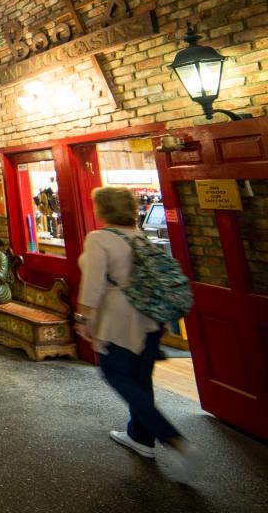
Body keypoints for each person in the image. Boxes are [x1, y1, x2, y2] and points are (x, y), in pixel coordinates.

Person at [76, 186, 193, 469]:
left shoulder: (100, 238)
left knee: (116, 374)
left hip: (117, 320)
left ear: (101, 209)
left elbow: (93, 284)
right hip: (149, 319)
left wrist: (83, 318)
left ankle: (173, 438)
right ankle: (141, 437)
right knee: (141, 380)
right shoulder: (141, 237)